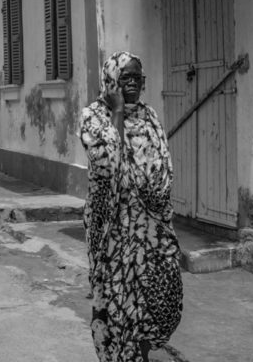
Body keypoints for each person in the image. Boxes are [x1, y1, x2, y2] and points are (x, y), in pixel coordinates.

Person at [79, 51, 183, 362]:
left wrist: (155, 196)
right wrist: (118, 112)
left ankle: (142, 350)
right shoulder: (92, 117)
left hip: (150, 226)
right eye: (126, 78)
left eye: (139, 77)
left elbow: (164, 164)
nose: (134, 83)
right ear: (111, 81)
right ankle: (123, 356)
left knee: (159, 296)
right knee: (117, 299)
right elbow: (108, 162)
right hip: (111, 227)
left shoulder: (150, 116)